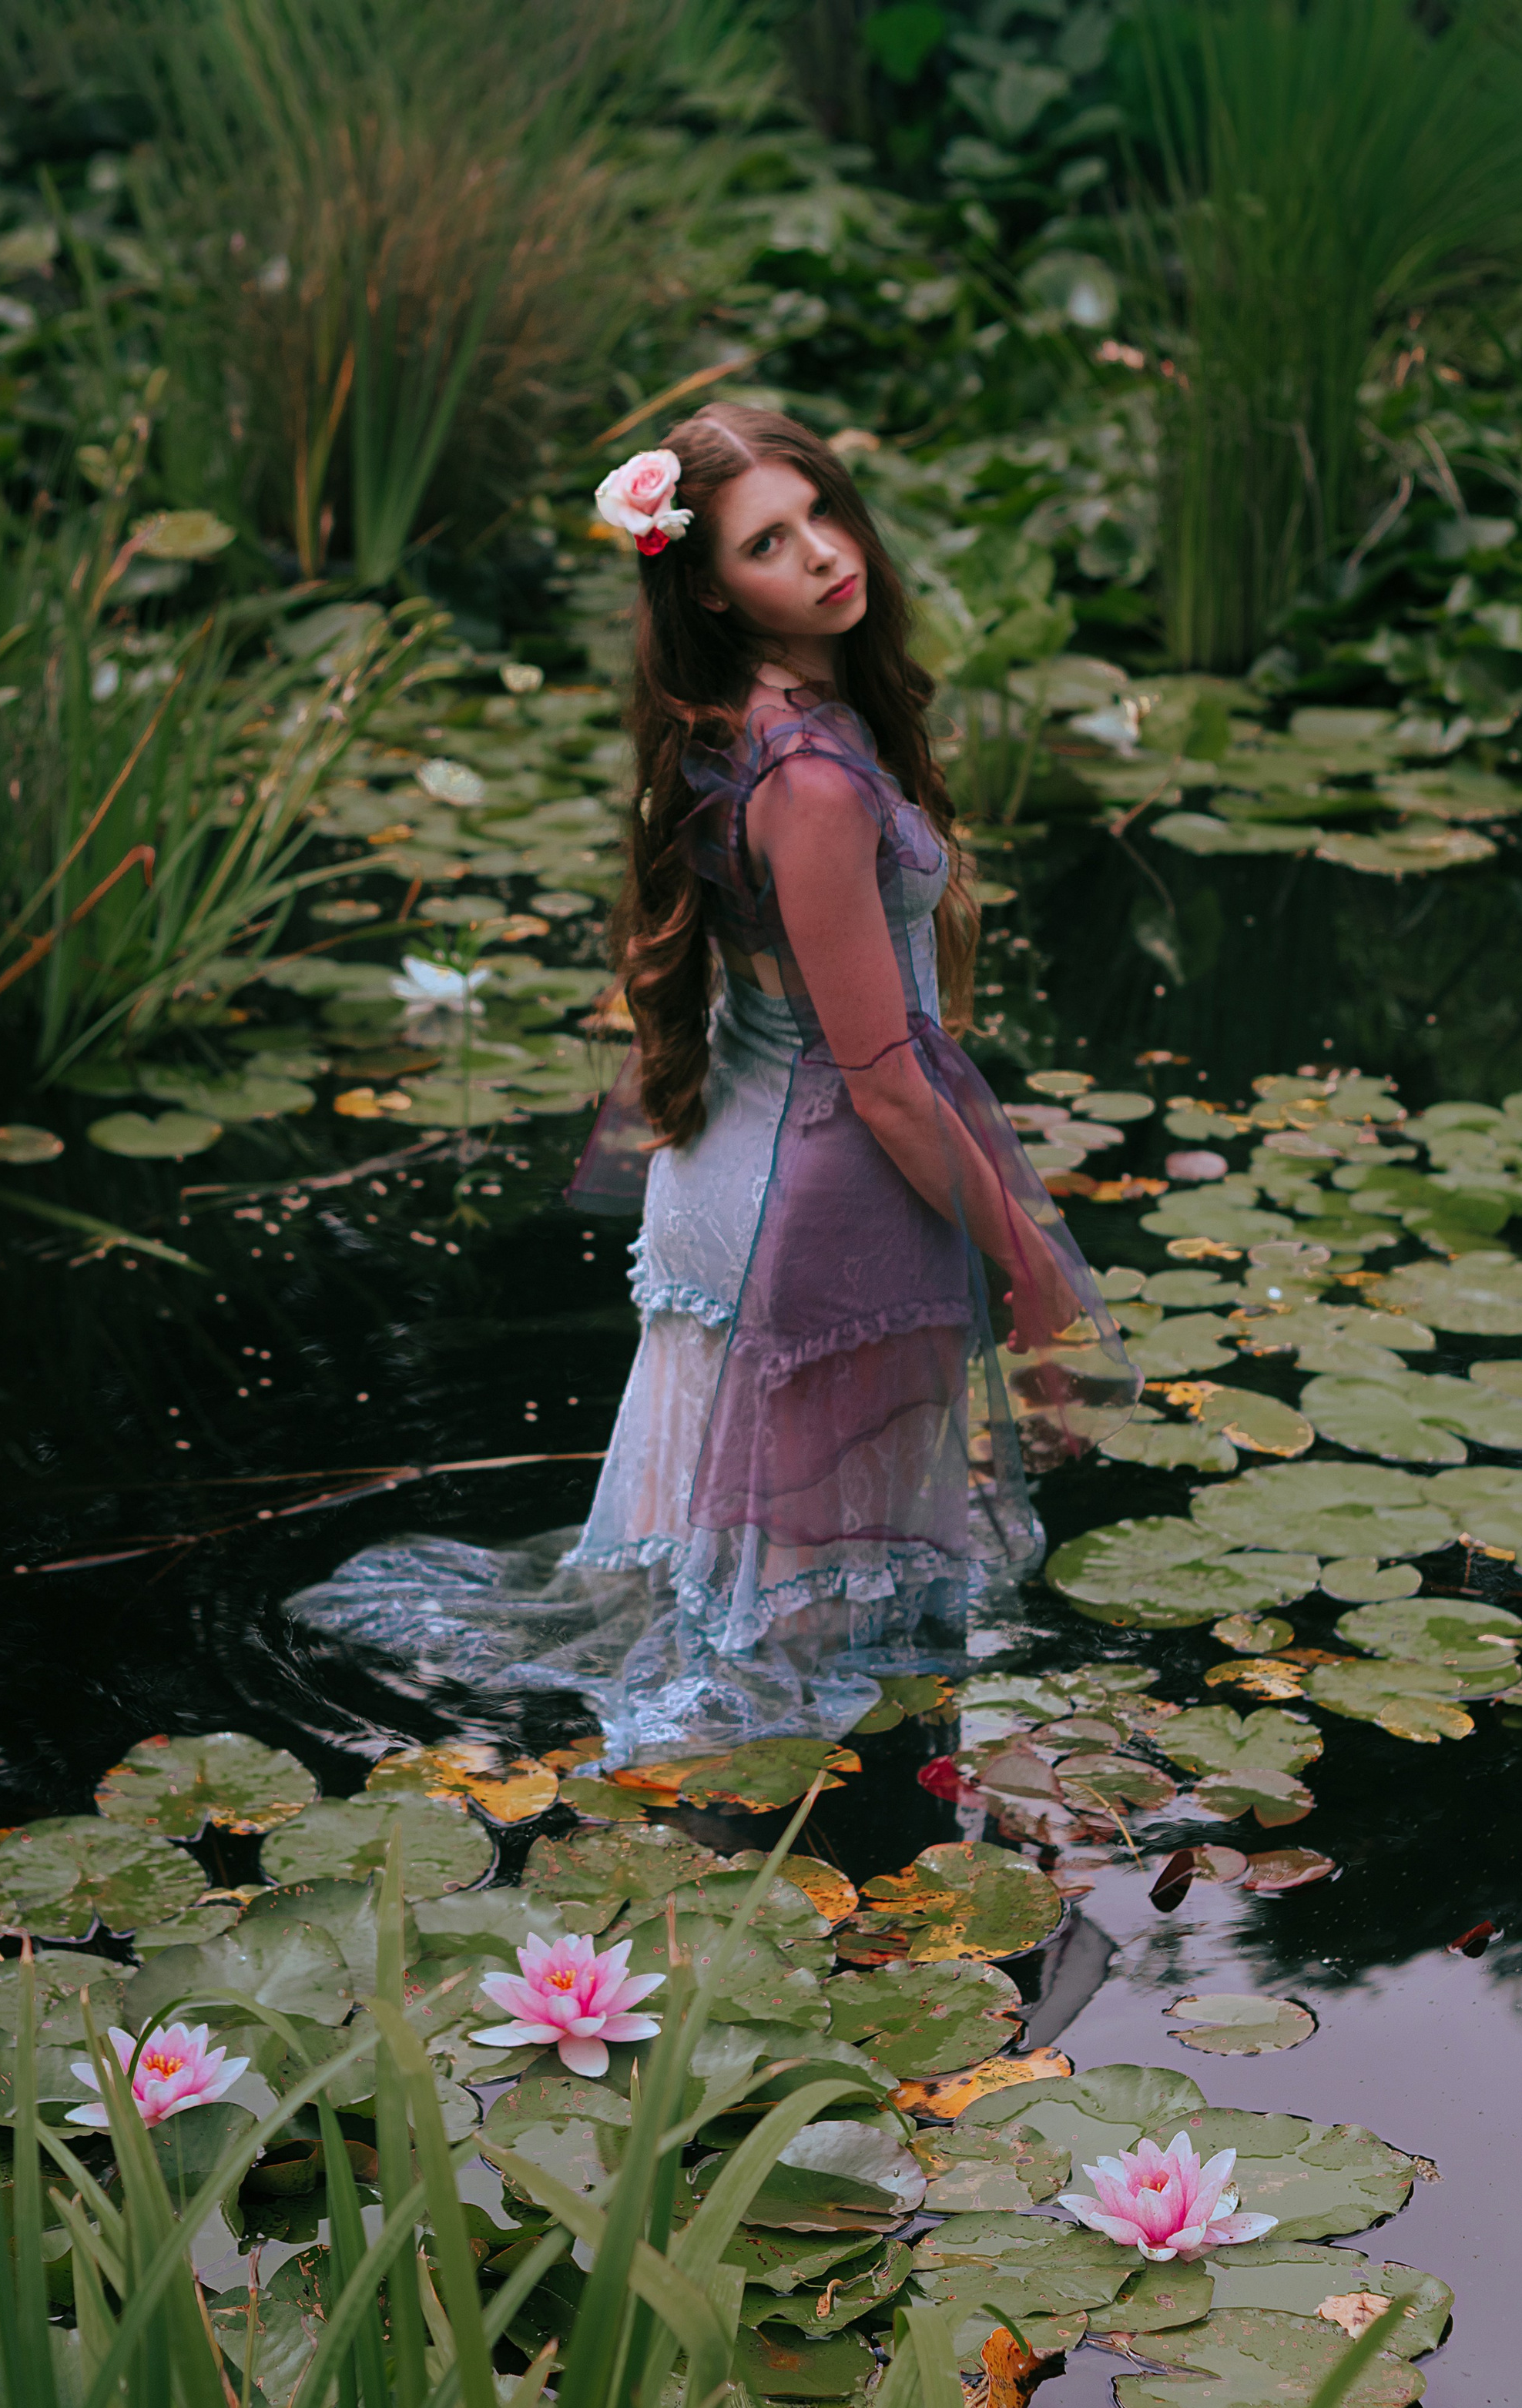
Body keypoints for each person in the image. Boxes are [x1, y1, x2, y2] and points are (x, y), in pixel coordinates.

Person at [288, 404, 1137, 1761]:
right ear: (708, 583)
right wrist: (1023, 1255)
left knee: (738, 1584)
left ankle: (757, 1840)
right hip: (819, 1207)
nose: (822, 556)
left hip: (733, 1174)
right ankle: (753, 1876)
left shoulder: (737, 726)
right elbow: (886, 1081)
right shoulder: (809, 781)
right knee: (784, 1650)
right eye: (768, 542)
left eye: (821, 514)